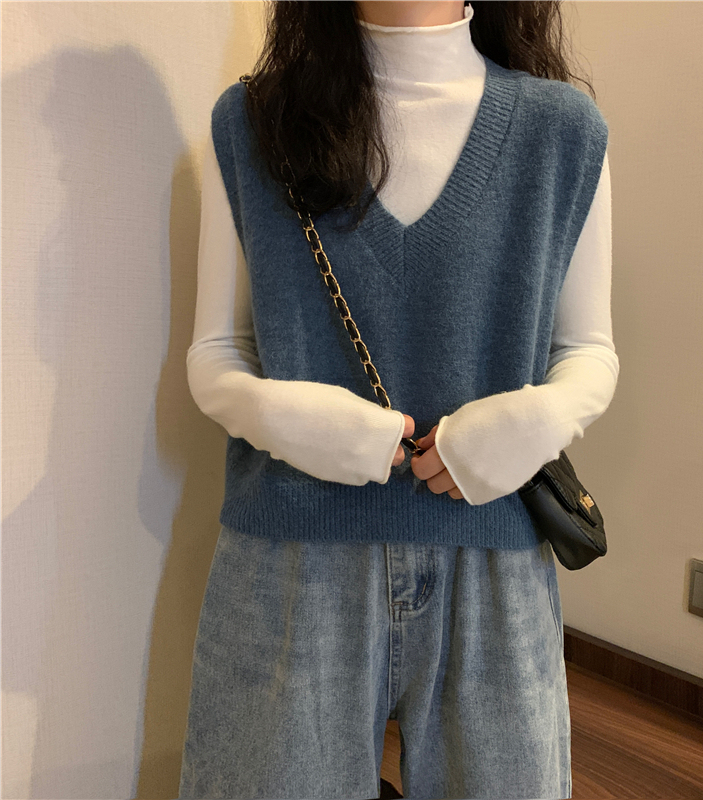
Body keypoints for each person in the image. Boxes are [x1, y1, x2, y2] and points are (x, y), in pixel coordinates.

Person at [178, 1, 618, 798]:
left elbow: (589, 351)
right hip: (291, 565)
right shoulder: (252, 125)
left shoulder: (562, 132)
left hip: (495, 563)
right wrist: (294, 421)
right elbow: (215, 354)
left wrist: (533, 421)